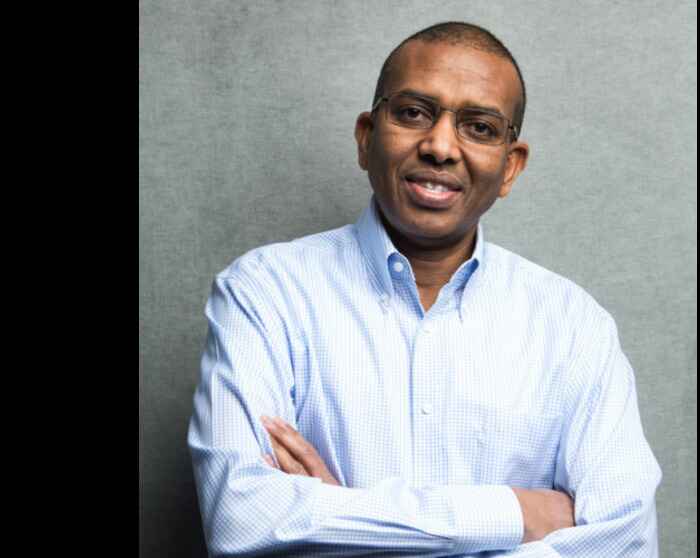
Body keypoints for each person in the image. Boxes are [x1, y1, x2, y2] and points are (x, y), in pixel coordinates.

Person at [188, 21, 661, 557]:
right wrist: (513, 513)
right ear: (367, 137)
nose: (439, 146)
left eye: (479, 127)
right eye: (413, 113)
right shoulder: (264, 294)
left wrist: (340, 522)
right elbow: (242, 518)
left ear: (510, 167)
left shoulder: (574, 324)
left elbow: (626, 539)